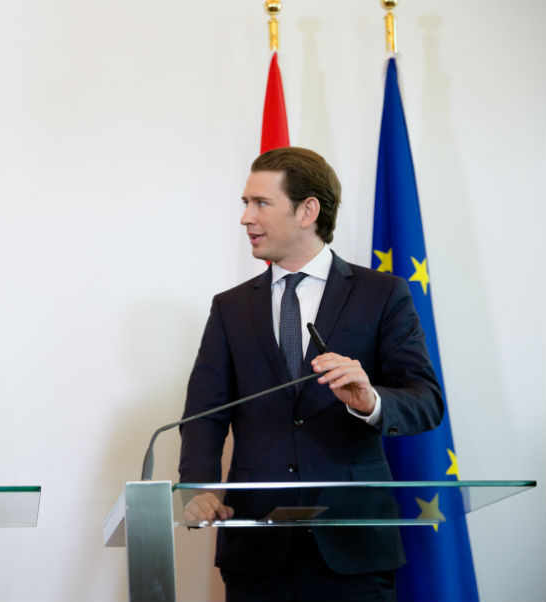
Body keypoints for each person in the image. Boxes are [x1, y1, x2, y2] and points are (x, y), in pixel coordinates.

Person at [178, 147, 443, 602]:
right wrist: (198, 488)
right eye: (245, 203)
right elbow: (205, 413)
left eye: (260, 203)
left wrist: (371, 402)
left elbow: (426, 401)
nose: (245, 217)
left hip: (354, 549)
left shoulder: (382, 294)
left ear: (308, 211)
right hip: (257, 550)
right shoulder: (230, 308)